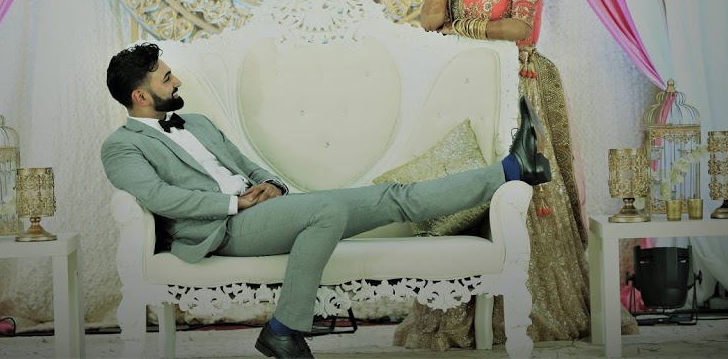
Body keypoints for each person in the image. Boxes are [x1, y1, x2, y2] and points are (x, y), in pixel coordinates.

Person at [101, 42, 550, 359]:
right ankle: (283, 329)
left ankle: (513, 169)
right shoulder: (120, 146)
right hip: (221, 229)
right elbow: (160, 197)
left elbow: (247, 165)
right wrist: (236, 205)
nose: (176, 80)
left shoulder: (196, 122)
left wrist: (271, 185)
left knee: (393, 197)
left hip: (264, 210)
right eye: (166, 78)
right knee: (327, 208)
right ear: (140, 95)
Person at [398, 0, 637, 349]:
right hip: (470, 88)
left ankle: (534, 313)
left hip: (519, 86)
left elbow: (521, 29)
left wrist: (460, 27)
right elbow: (428, 22)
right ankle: (462, 316)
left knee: (524, 193)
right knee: (469, 189)